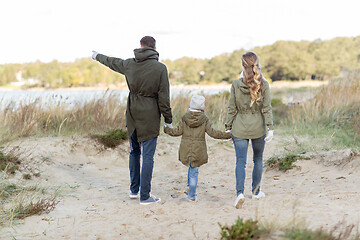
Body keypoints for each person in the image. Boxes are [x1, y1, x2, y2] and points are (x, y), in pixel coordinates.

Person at [92, 36, 172, 205]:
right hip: (150, 114)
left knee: (134, 151)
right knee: (148, 156)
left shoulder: (129, 64)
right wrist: (168, 120)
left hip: (132, 113)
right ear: (155, 48)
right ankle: (145, 196)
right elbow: (164, 97)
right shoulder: (160, 68)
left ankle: (134, 190)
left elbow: (112, 62)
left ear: (141, 46)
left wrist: (97, 56)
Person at [225, 51, 274, 209]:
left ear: (242, 65)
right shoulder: (263, 84)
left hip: (239, 127)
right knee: (257, 160)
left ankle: (240, 193)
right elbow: (267, 108)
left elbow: (231, 108)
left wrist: (227, 126)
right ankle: (255, 192)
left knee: (240, 162)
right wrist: (270, 128)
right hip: (258, 128)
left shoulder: (235, 84)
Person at [164, 95, 231, 201]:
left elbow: (177, 132)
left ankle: (189, 187)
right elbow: (213, 133)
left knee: (191, 167)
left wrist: (166, 129)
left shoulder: (185, 118)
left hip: (186, 148)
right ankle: (191, 196)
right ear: (202, 107)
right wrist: (228, 135)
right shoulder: (204, 119)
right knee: (194, 171)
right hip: (198, 149)